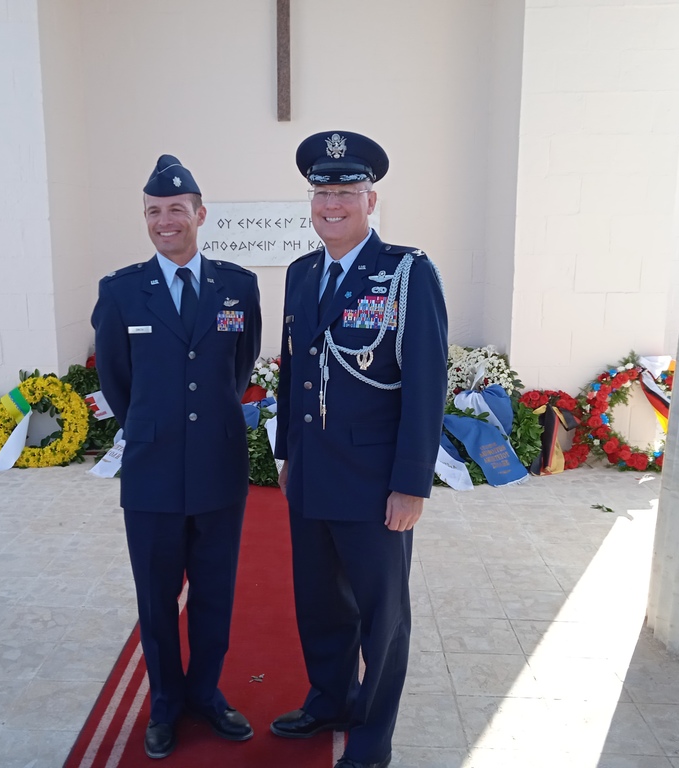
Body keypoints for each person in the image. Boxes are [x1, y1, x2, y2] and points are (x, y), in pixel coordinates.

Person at [270, 131, 448, 768]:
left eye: (346, 192)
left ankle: (371, 739)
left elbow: (426, 383)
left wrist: (412, 483)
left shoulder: (406, 272)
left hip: (375, 482)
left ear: (371, 200)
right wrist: (287, 456)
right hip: (312, 474)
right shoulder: (302, 273)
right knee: (319, 603)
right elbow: (293, 372)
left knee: (382, 616)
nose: (332, 204)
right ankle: (329, 699)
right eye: (322, 193)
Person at [91, 155, 262, 759]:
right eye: (154, 211)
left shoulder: (238, 286)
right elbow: (117, 382)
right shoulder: (120, 292)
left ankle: (206, 694)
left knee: (215, 591)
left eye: (177, 210)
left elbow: (239, 367)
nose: (165, 221)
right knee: (157, 595)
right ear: (145, 218)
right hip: (153, 470)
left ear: (200, 214)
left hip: (218, 465)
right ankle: (165, 702)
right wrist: (155, 426)